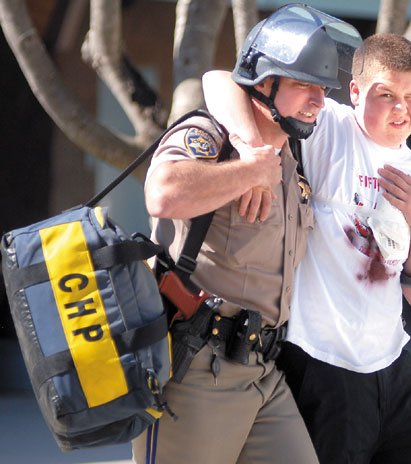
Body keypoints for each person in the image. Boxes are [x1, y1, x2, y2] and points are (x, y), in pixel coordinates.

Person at [203, 32, 411, 464]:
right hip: (320, 364)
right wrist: (253, 153)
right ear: (355, 92)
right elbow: (219, 81)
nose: (402, 109)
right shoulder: (330, 129)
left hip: (392, 365)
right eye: (386, 94)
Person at [132, 5, 361, 464]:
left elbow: (220, 78)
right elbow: (162, 194)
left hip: (262, 369)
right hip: (196, 366)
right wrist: (247, 168)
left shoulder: (292, 154)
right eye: (302, 84)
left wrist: (259, 159)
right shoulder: (210, 135)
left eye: (322, 87)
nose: (318, 99)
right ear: (264, 84)